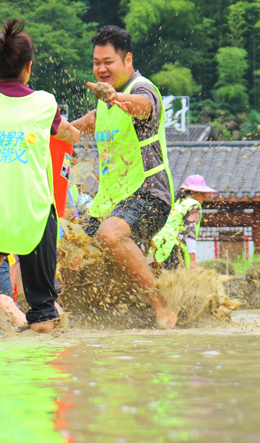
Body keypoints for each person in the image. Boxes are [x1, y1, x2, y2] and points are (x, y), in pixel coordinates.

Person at [0, 19, 80, 333]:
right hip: (32, 214)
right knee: (44, 315)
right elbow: (64, 132)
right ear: (30, 67)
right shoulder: (45, 104)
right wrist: (73, 133)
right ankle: (43, 323)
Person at [71, 26, 177, 329]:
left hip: (149, 195)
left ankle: (161, 304)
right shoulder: (104, 100)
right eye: (96, 62)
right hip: (111, 202)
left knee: (110, 234)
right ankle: (79, 311)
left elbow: (144, 107)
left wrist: (116, 96)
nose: (101, 69)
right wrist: (56, 131)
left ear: (127, 59)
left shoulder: (142, 89)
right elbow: (90, 122)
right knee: (71, 251)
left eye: (108, 62)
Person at [152, 175, 217, 270]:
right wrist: (192, 259)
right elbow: (190, 233)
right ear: (195, 193)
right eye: (202, 194)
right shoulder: (193, 206)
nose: (203, 197)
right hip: (173, 249)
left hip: (158, 246)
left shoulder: (177, 202)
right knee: (174, 278)